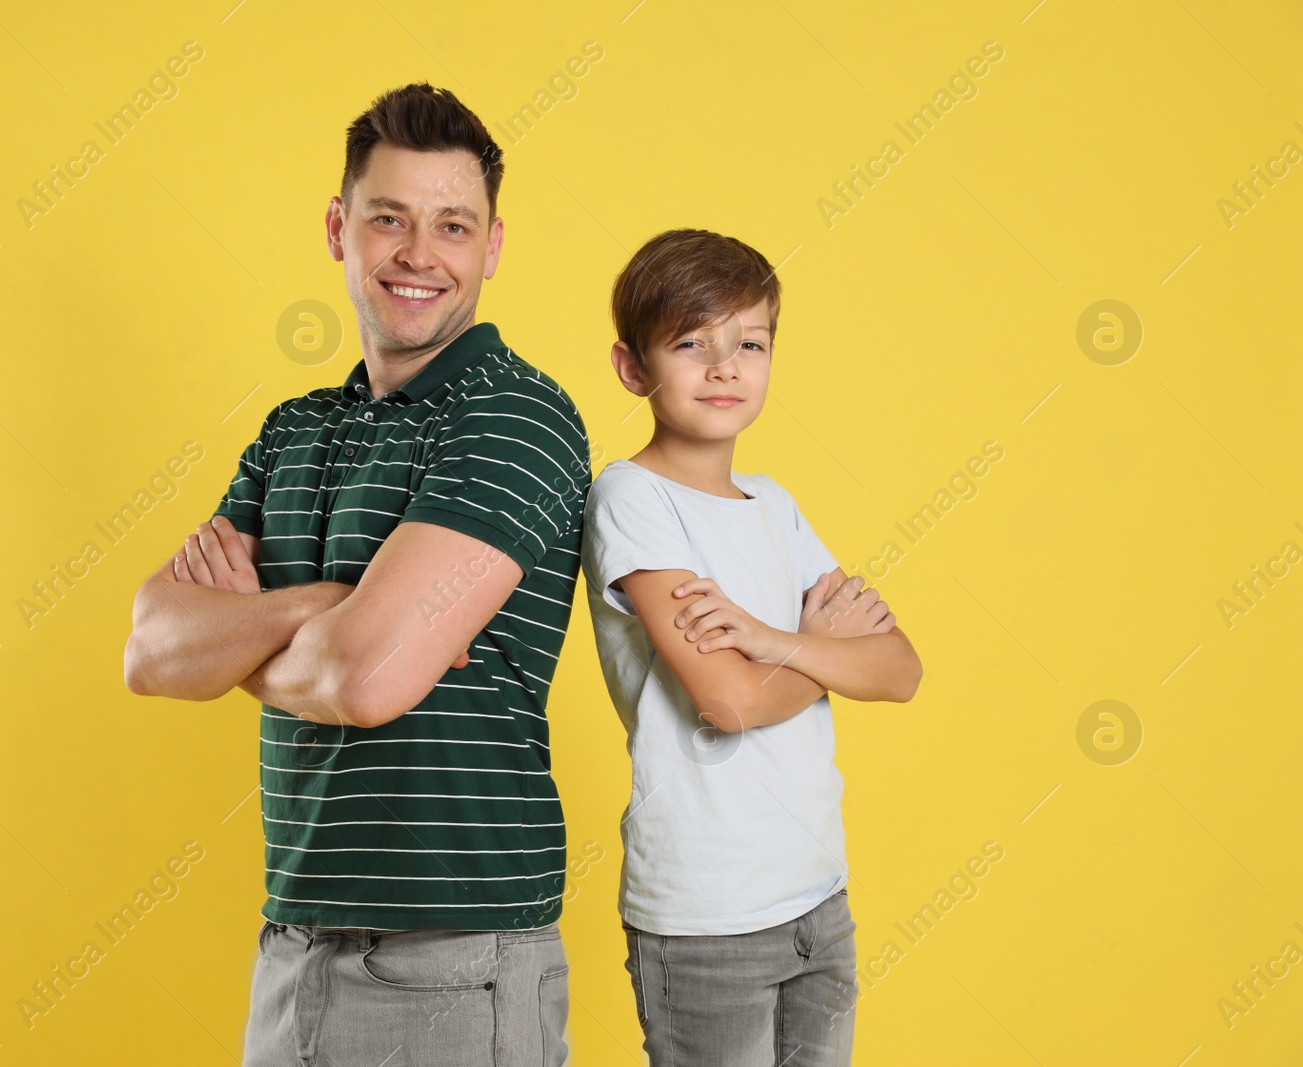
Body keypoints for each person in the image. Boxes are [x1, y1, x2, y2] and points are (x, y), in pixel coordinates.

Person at [122, 83, 589, 1066]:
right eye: (390, 219)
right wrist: (328, 610)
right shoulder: (293, 431)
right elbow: (152, 650)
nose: (420, 254)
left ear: (491, 246)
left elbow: (366, 680)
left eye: (452, 226)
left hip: (454, 958)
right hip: (294, 946)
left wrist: (253, 632)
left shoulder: (517, 417)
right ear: (340, 229)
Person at [580, 228, 923, 1066]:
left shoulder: (776, 504)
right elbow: (728, 703)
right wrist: (820, 648)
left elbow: (900, 667)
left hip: (818, 898)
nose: (725, 366)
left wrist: (774, 640)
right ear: (634, 368)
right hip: (708, 913)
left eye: (750, 343)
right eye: (691, 343)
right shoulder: (631, 498)